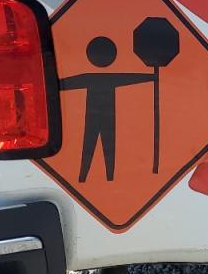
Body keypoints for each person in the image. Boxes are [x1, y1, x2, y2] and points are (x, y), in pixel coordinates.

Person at [59, 36, 153, 182]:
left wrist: (152, 77)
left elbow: (130, 78)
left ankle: (106, 177)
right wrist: (152, 77)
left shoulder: (93, 77)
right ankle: (86, 176)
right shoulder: (94, 78)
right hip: (95, 118)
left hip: (106, 118)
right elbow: (66, 83)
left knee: (106, 147)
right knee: (92, 147)